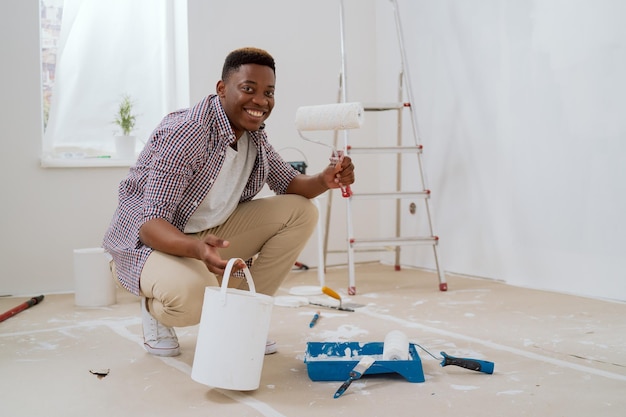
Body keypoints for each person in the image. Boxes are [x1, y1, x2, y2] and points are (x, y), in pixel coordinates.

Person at [102, 47, 355, 357]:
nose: (261, 101)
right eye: (248, 89)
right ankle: (154, 307)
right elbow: (150, 225)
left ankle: (243, 320)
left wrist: (324, 179)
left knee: (301, 212)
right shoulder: (187, 133)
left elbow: (288, 183)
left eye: (268, 92)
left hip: (209, 235)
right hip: (152, 243)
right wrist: (196, 249)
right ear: (222, 89)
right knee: (193, 301)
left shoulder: (253, 135)